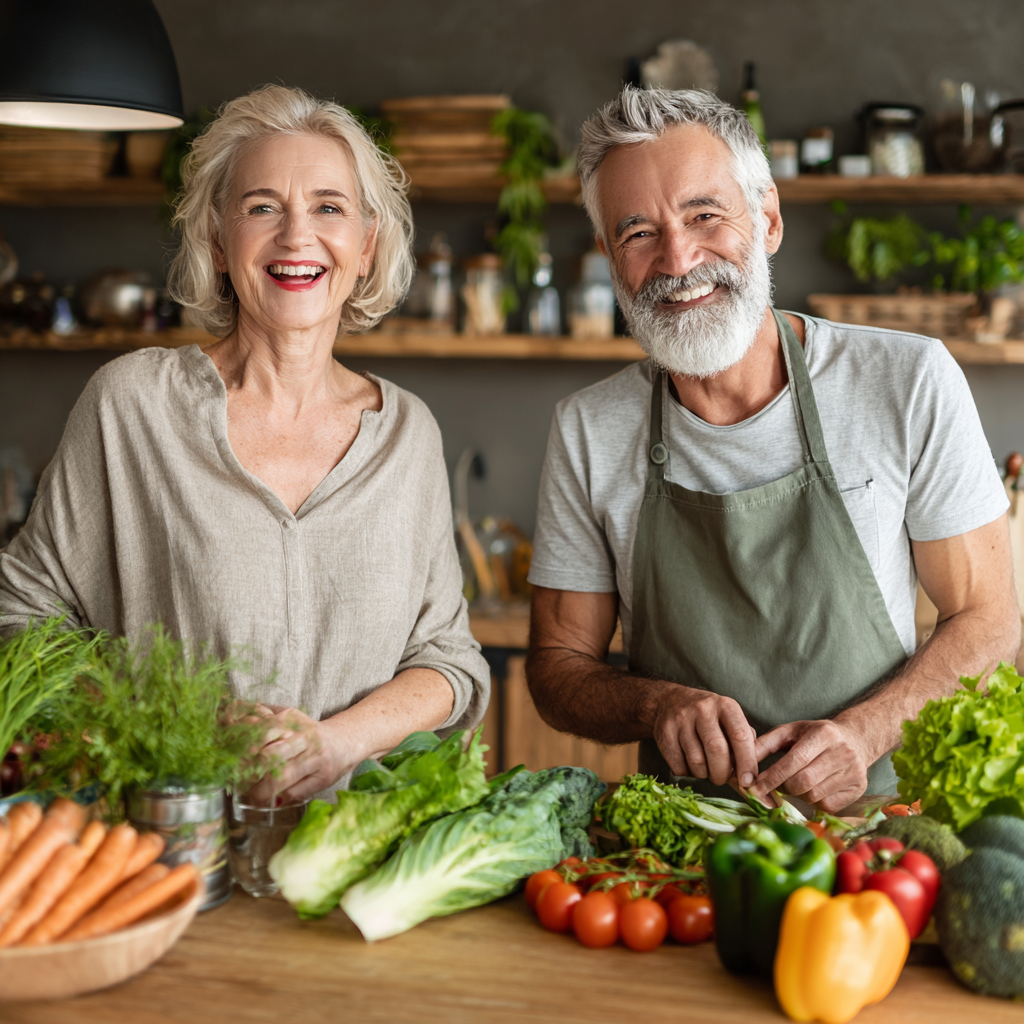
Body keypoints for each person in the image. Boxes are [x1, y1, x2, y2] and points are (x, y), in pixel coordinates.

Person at [526, 87, 1019, 813]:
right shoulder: (589, 429)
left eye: (705, 215)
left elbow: (990, 620)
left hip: (879, 837)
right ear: (608, 257)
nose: (678, 258)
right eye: (638, 233)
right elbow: (557, 667)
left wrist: (864, 734)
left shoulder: (907, 380)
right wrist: (654, 705)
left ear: (769, 220)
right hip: (687, 846)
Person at [0, 85, 489, 803]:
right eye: (263, 207)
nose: (296, 237)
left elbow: (450, 663)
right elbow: (21, 619)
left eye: (329, 207)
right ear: (219, 244)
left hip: (344, 863)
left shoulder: (407, 433)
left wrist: (336, 744)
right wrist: (176, 720)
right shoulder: (133, 405)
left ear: (365, 246)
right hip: (170, 846)